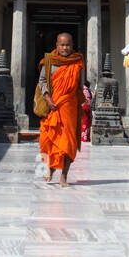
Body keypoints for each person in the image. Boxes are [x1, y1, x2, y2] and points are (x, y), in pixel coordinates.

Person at [38, 32, 86, 186]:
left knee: (68, 143)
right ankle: (50, 169)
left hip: (69, 107)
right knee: (47, 140)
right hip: (52, 106)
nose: (65, 48)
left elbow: (80, 86)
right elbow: (42, 81)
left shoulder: (77, 62)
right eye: (62, 45)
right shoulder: (48, 61)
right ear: (57, 45)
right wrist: (47, 98)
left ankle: (64, 175)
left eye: (68, 45)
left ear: (72, 46)